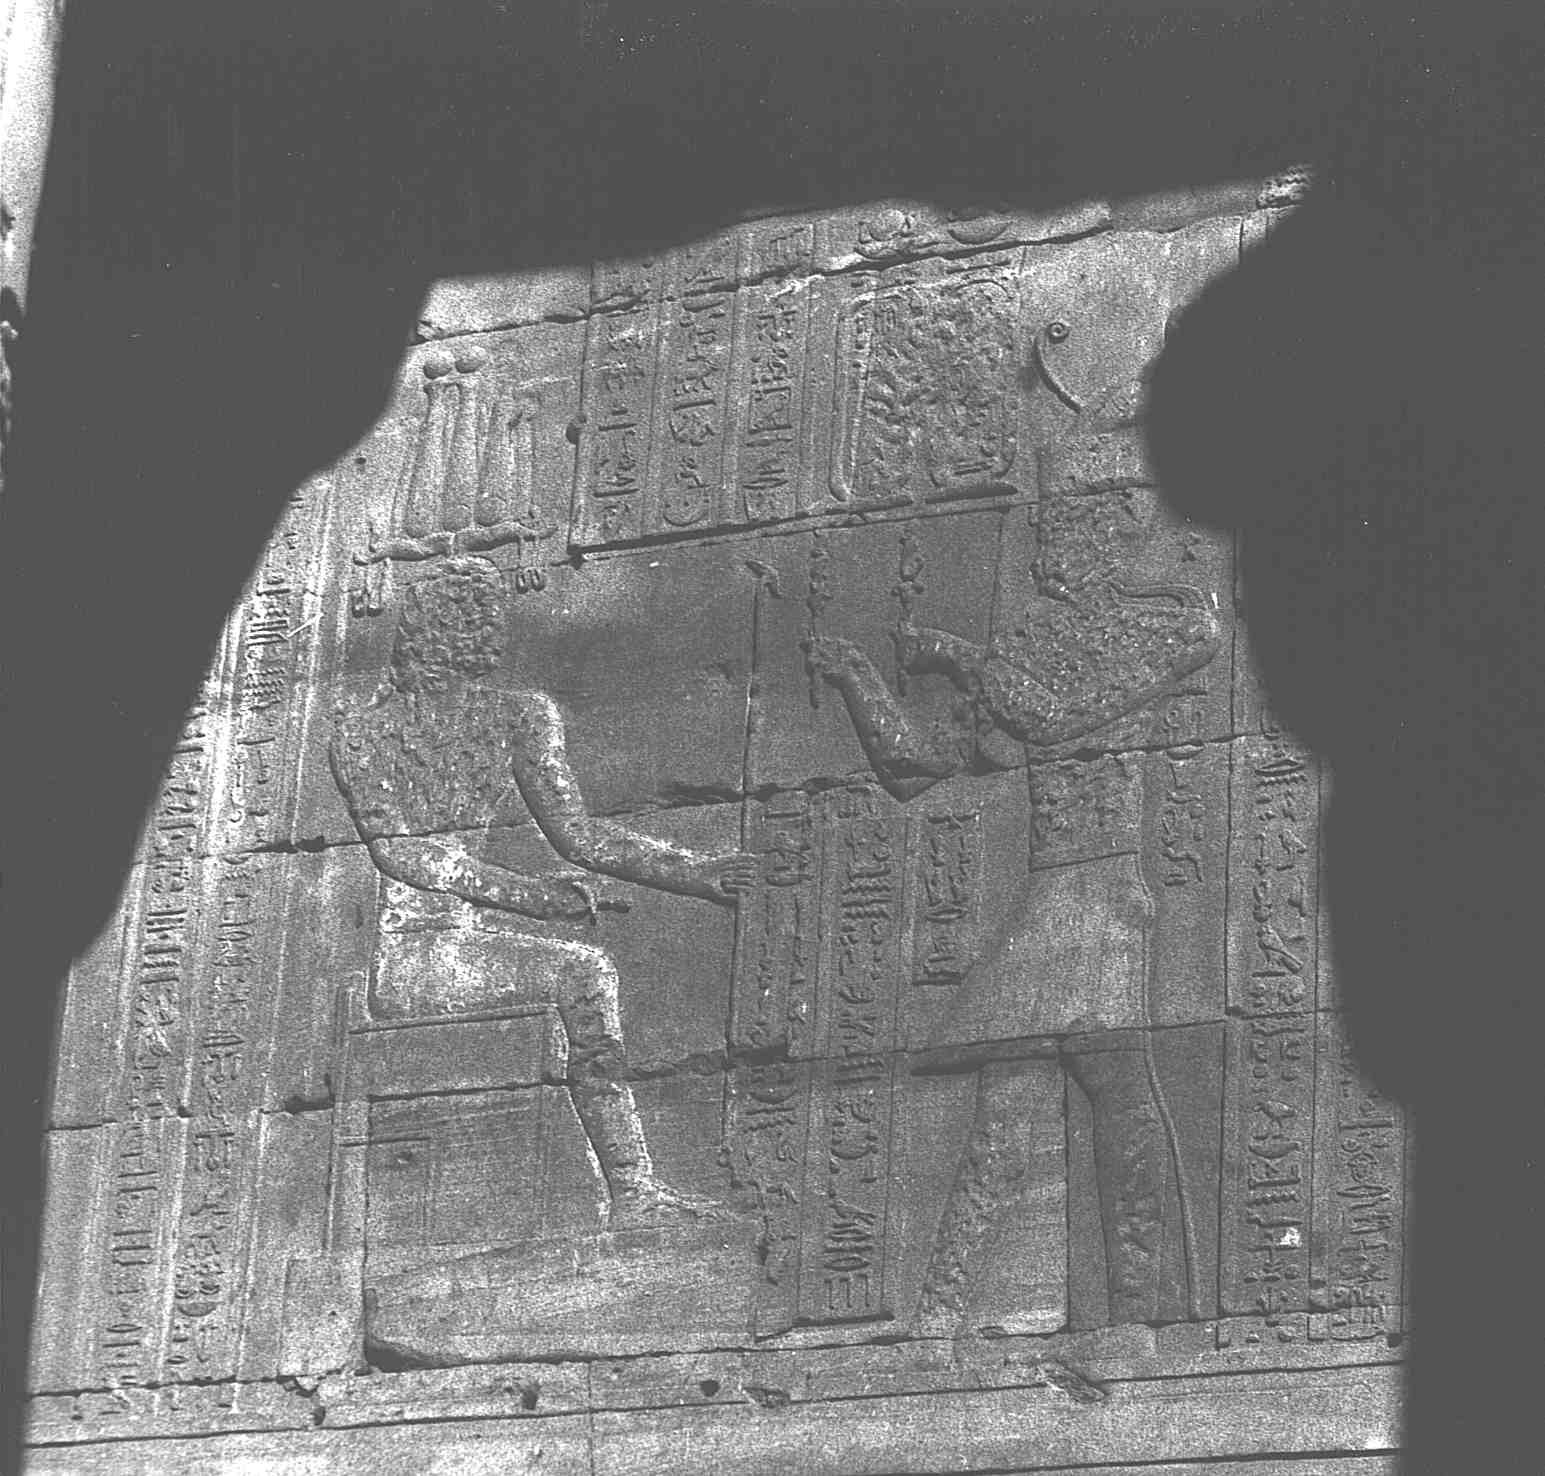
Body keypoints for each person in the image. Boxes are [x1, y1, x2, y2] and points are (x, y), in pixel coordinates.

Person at [804, 378, 1221, 1334]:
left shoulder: (1160, 624)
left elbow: (1053, 714)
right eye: (1040, 531)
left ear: (1106, 532)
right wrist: (858, 675)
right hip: (1049, 900)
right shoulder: (1032, 647)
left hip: (1103, 896)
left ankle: (1135, 1315)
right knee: (1010, 1111)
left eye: (1058, 529)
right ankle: (945, 1324)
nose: (1041, 549)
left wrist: (960, 656)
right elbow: (916, 766)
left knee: (1113, 1098)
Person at [330, 556, 757, 1230]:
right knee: (583, 971)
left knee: (584, 970)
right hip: (412, 956)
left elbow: (577, 836)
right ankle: (632, 1192)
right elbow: (400, 853)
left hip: (462, 940)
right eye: (477, 618)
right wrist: (531, 897)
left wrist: (694, 874)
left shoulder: (519, 715)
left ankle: (634, 1192)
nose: (490, 631)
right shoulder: (362, 732)